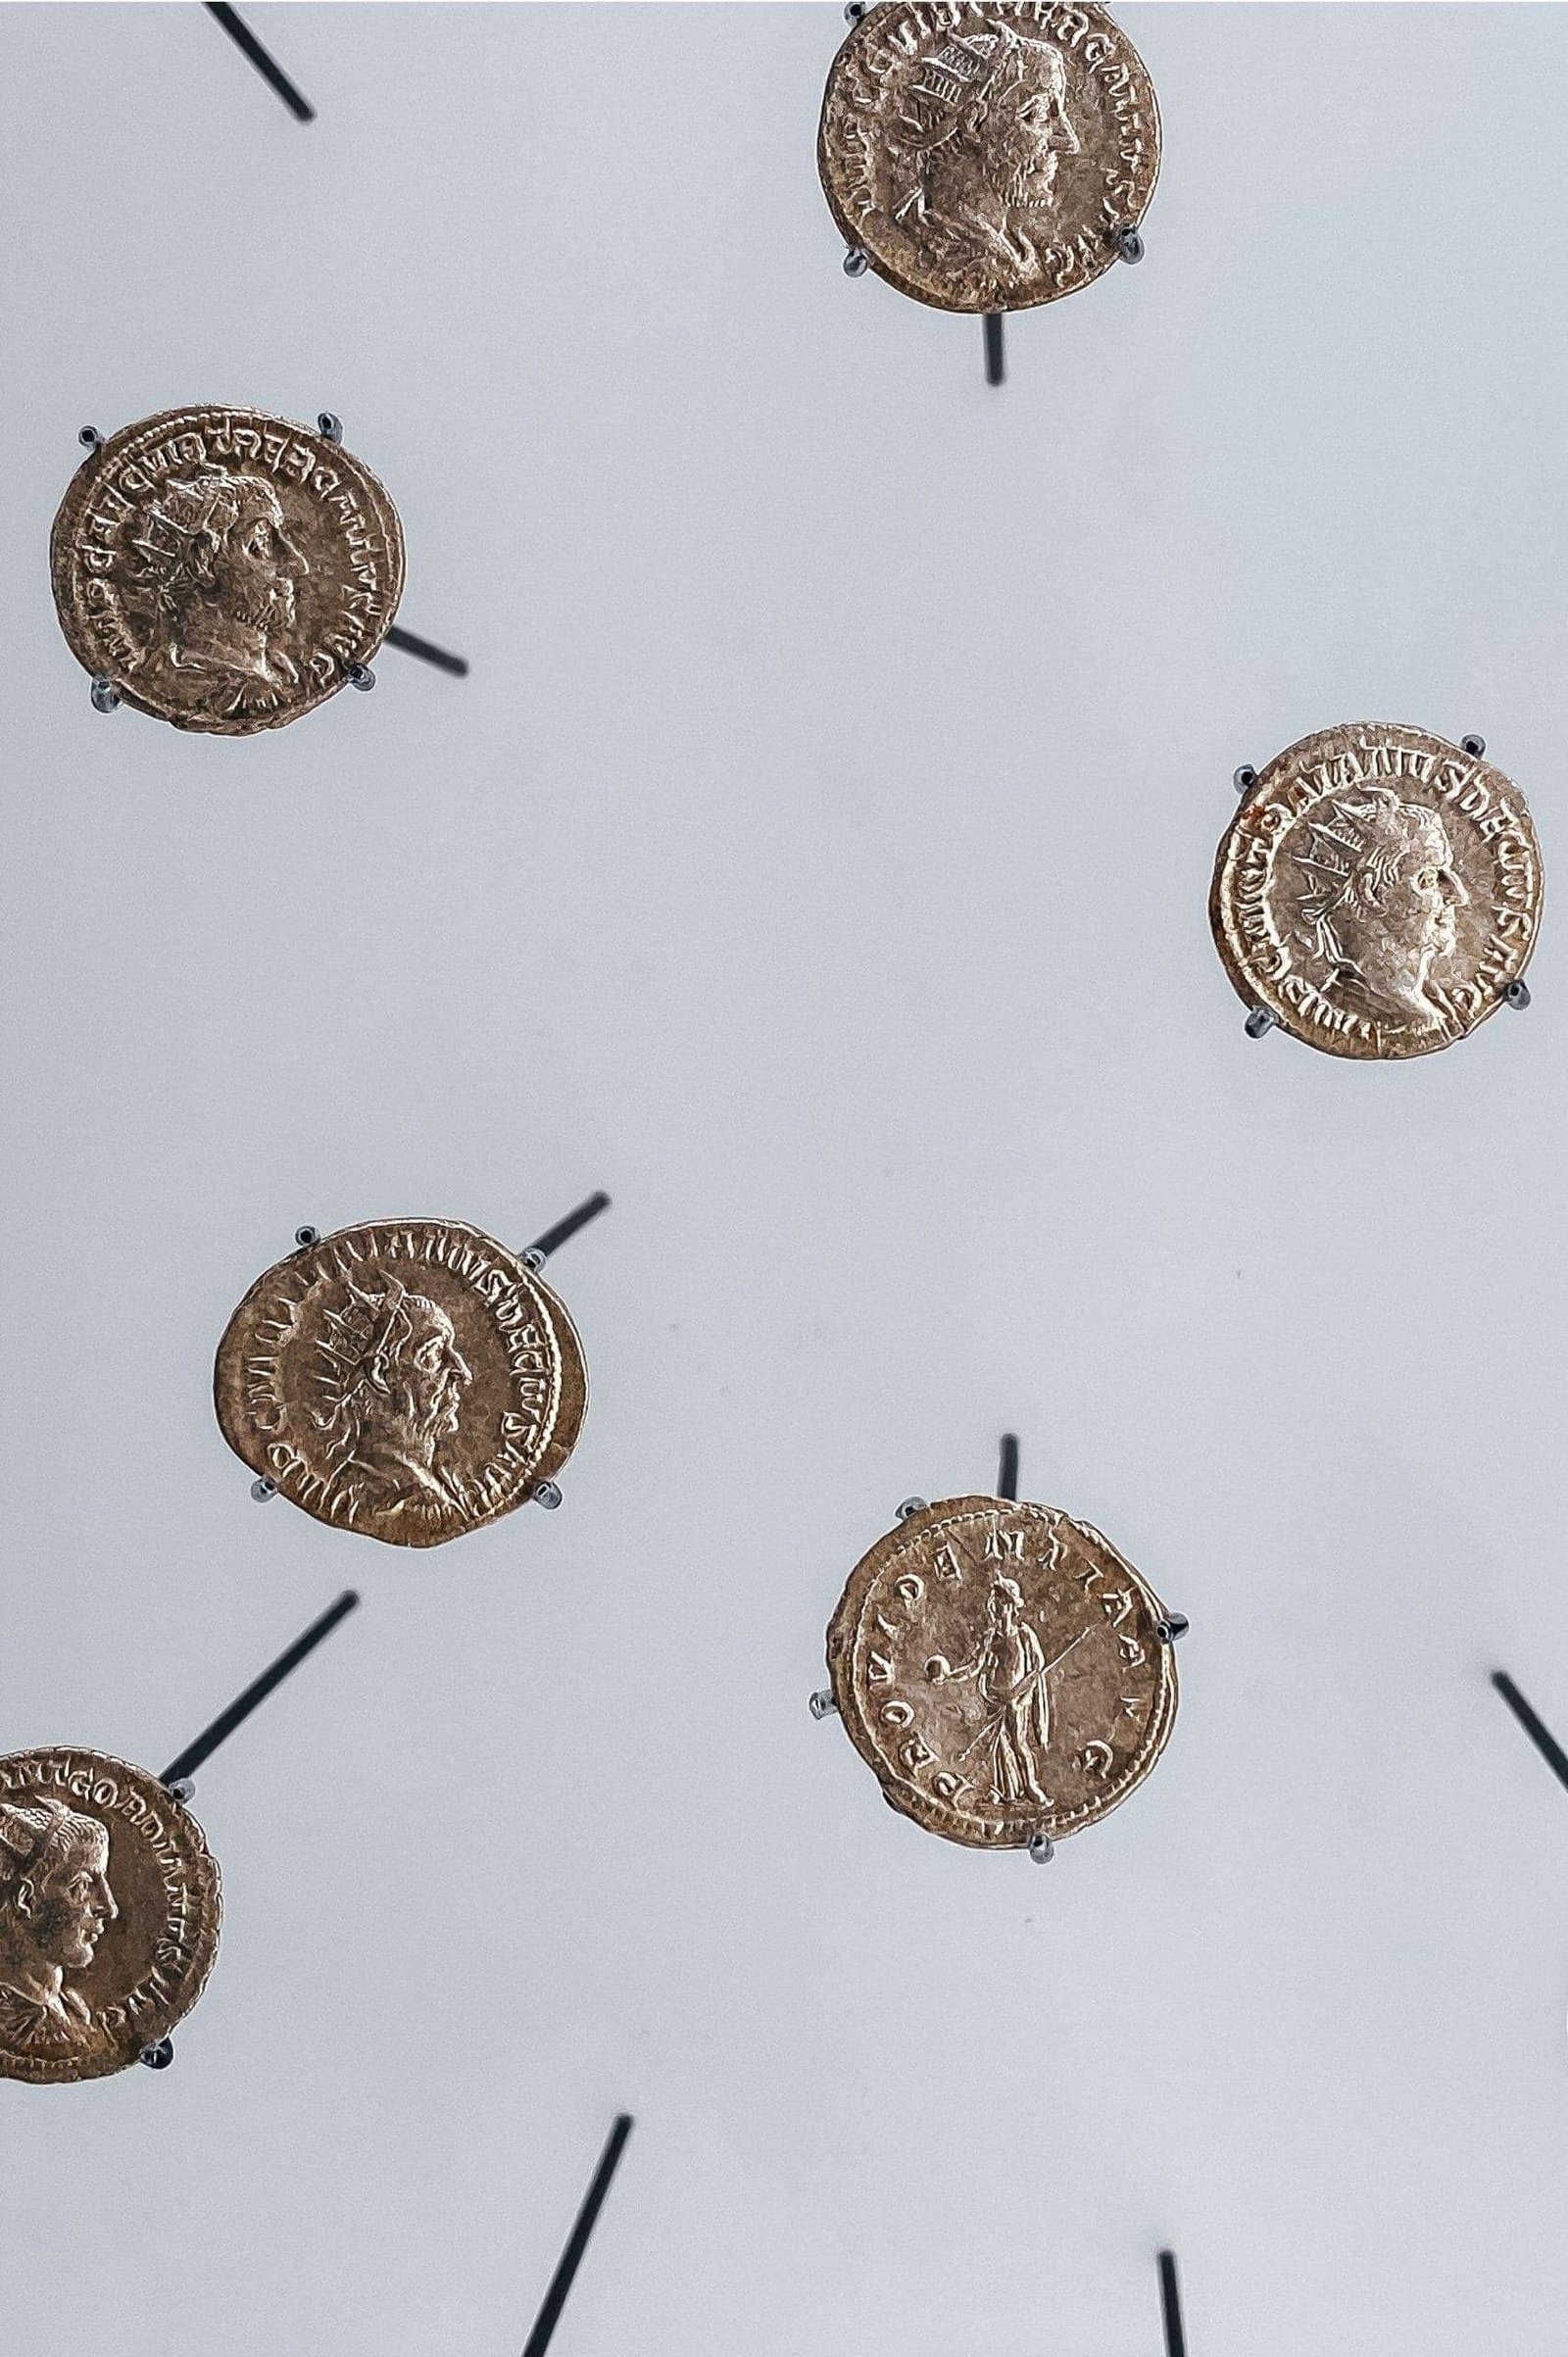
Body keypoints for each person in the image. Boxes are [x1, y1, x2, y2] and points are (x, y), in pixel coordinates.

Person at [890, 21, 1081, 280]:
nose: (1069, 141)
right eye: (1037, 114)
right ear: (974, 122)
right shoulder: (949, 253)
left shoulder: (1009, 244)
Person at [128, 466, 309, 708]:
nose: (297, 563)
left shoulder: (280, 674)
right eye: (260, 543)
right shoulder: (192, 686)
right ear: (202, 565)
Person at [1296, 787, 1469, 1031]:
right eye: (1429, 880)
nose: (1458, 896)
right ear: (1370, 894)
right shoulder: (1354, 1000)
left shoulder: (1434, 997)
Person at [313, 1274, 475, 1529]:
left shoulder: (428, 1486)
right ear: (379, 1374)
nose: (462, 1372)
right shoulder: (401, 1497)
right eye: (433, 1354)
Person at [0, 1796, 117, 2058]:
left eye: (104, 1882)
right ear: (26, 1900)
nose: (109, 1907)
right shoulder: (15, 2024)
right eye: (83, 1887)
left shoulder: (74, 2008)